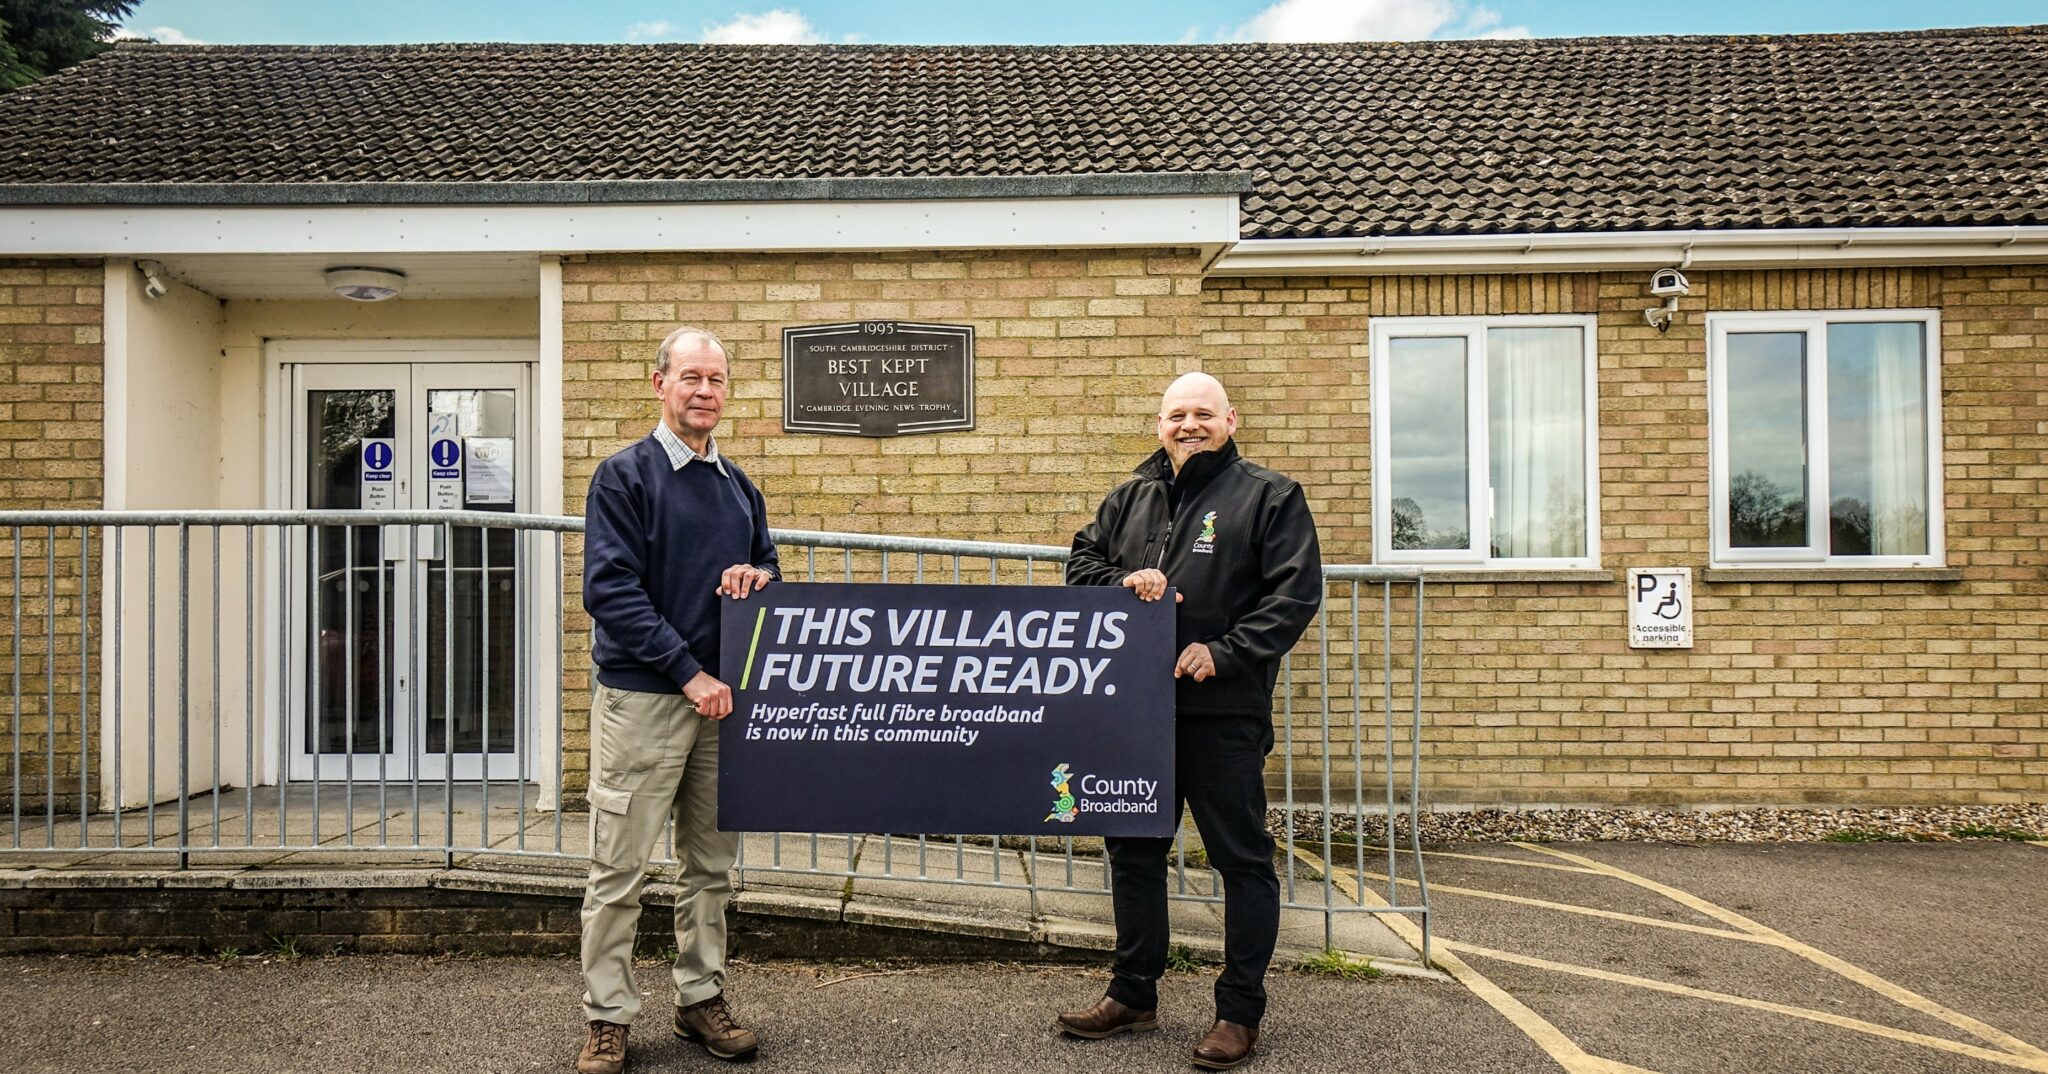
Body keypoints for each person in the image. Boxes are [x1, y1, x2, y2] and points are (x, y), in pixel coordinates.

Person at [1056, 371, 1323, 1071]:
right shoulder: (1130, 497)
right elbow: (1079, 565)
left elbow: (1295, 595)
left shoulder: (1270, 497)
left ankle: (1238, 1012)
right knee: (1135, 854)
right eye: (1177, 414)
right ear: (1159, 424)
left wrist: (1226, 651)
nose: (1189, 425)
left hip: (1221, 714)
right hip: (1135, 713)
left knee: (1241, 861)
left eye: (1203, 413)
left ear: (1230, 420)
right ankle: (1133, 993)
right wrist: (1121, 582)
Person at [575, 326, 780, 1074]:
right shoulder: (624, 476)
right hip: (647, 702)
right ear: (658, 383)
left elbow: (769, 568)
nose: (704, 391)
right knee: (618, 871)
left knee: (710, 869)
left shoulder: (738, 487)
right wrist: (688, 672)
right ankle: (607, 1018)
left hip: (719, 708)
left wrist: (760, 581)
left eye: (716, 380)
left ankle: (700, 1000)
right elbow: (610, 591)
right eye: (690, 376)